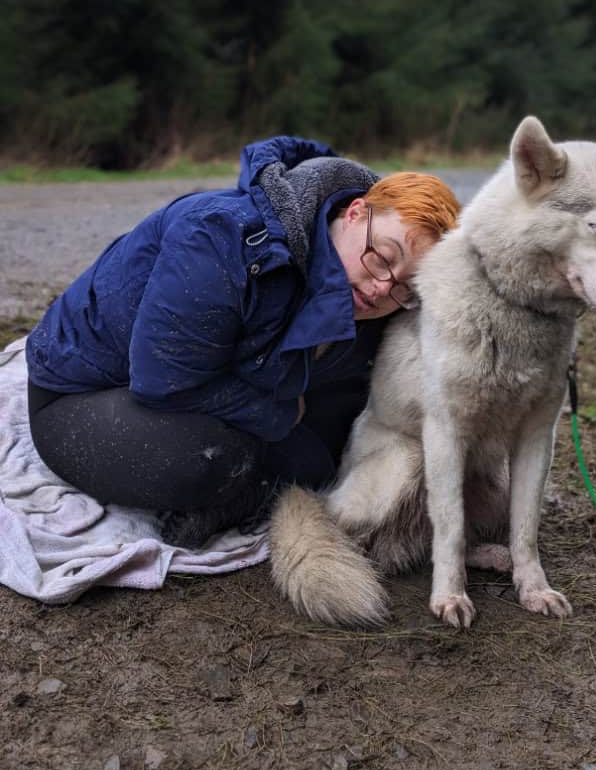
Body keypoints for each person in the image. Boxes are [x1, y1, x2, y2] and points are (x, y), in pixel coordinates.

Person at [25, 136, 460, 547]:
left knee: (319, 458)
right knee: (208, 460)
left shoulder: (367, 289)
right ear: (355, 213)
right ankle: (231, 494)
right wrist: (280, 411)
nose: (383, 287)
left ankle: (241, 491)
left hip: (202, 392)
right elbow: (163, 382)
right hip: (82, 394)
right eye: (383, 257)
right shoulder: (221, 237)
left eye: (406, 287)